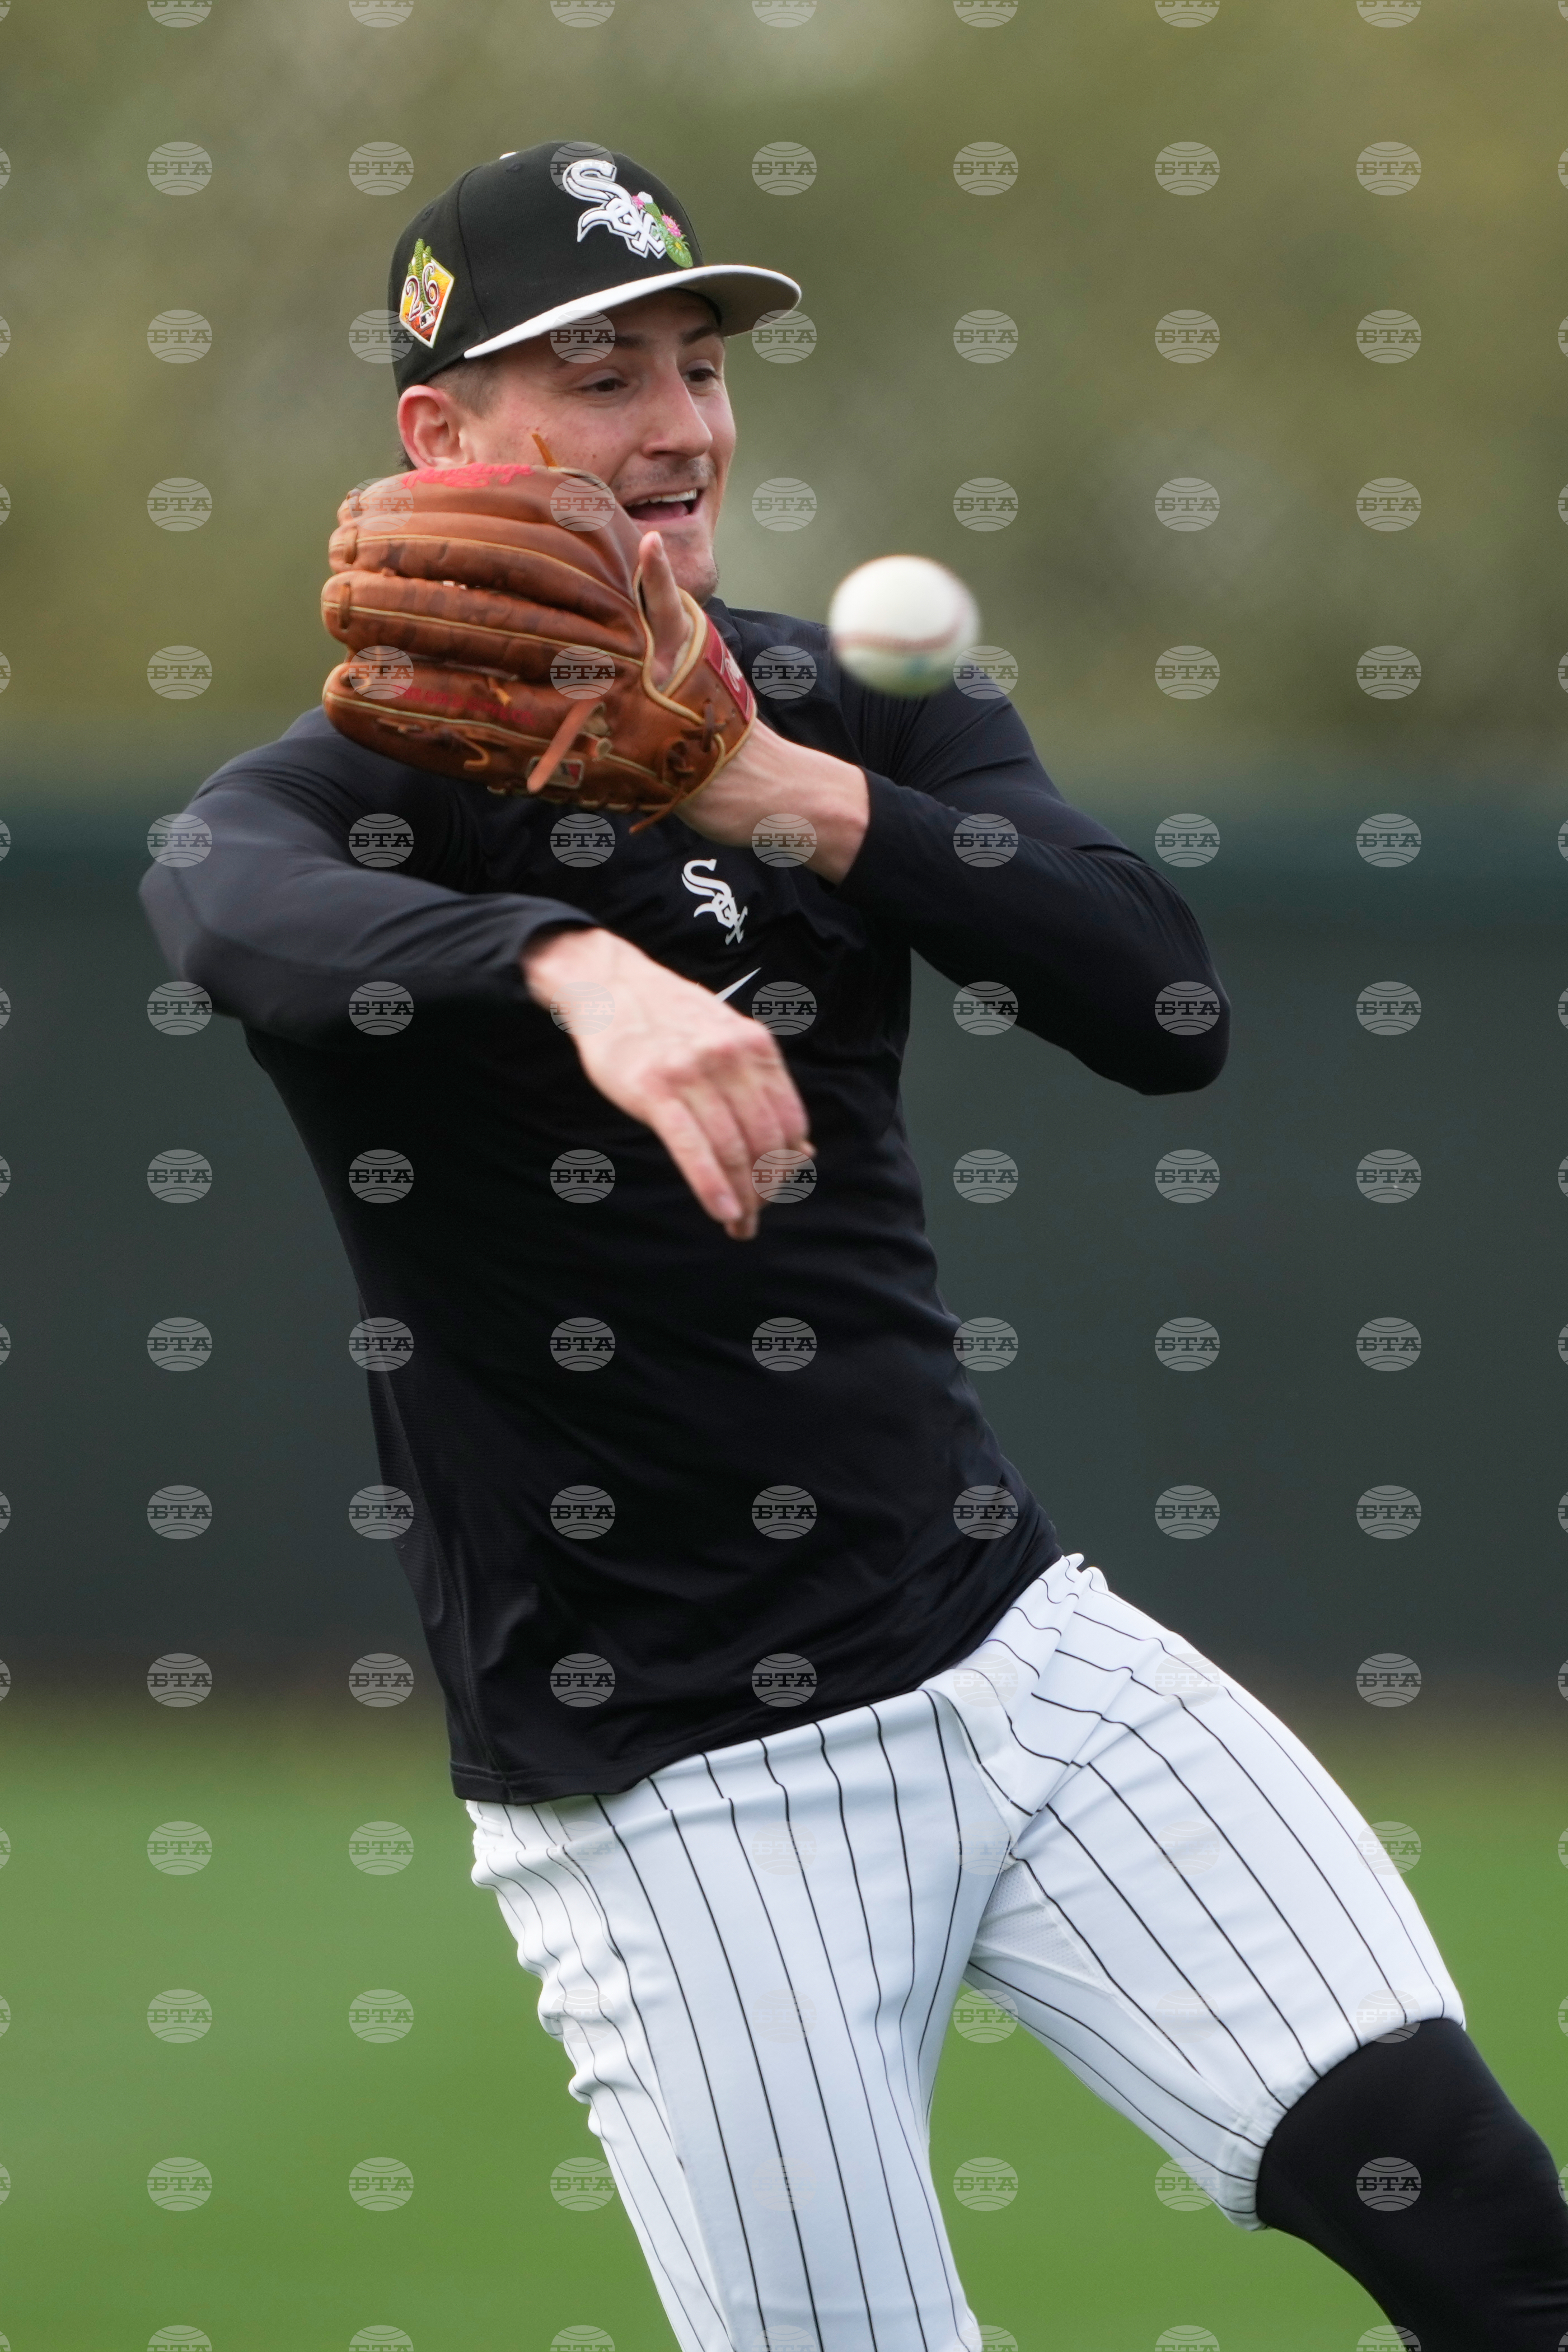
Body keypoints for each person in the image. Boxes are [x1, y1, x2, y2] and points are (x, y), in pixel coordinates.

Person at [139, 141, 1568, 2352]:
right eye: (599, 374)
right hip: (677, 1789)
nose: (679, 421)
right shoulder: (334, 799)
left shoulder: (841, 702)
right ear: (444, 443)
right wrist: (565, 964)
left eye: (698, 366)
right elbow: (233, 915)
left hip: (1018, 1653)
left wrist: (785, 791)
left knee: (1490, 2237)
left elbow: (1159, 1003)